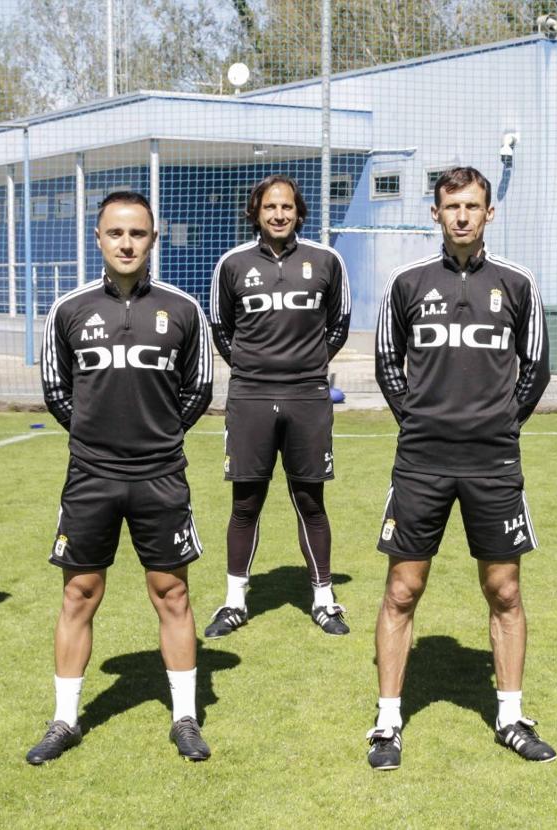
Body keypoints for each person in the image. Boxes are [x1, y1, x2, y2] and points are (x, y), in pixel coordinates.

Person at [368, 166, 552, 770]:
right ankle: (388, 722)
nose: (463, 216)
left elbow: (536, 368)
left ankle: (510, 716)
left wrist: (499, 424)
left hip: (493, 462)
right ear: (436, 214)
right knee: (403, 588)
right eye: (452, 207)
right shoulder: (407, 283)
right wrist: (418, 419)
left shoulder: (518, 284)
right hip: (421, 460)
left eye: (473, 206)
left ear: (489, 213)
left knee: (504, 589)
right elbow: (387, 362)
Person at [26, 191, 214, 765]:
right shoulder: (69, 309)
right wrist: (97, 438)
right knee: (80, 594)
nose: (127, 243)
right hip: (91, 477)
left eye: (138, 234)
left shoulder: (183, 310)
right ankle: (65, 721)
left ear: (153, 239)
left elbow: (199, 388)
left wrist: (155, 436)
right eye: (116, 233)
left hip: (160, 476)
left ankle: (185, 718)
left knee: (173, 594)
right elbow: (57, 391)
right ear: (99, 238)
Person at [205, 175, 351, 638]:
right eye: (270, 206)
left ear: (298, 211)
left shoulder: (326, 261)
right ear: (256, 212)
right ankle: (234, 603)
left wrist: (307, 367)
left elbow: (340, 323)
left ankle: (324, 600)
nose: (279, 214)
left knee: (310, 500)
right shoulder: (232, 264)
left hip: (308, 396)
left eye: (287, 206)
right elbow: (220, 328)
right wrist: (252, 369)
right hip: (249, 396)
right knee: (245, 502)